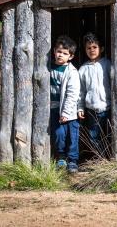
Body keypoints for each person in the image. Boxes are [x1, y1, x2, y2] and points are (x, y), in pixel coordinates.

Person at [77, 32, 111, 158]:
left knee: (110, 135)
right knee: (93, 137)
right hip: (92, 110)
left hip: (108, 107)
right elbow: (81, 91)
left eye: (95, 47)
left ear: (101, 48)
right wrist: (80, 107)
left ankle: (110, 160)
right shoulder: (83, 69)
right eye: (88, 48)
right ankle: (101, 161)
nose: (92, 50)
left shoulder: (108, 64)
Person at [50, 35, 81, 173]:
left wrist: (66, 113)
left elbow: (72, 94)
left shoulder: (72, 72)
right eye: (58, 51)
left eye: (64, 53)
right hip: (53, 108)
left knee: (72, 136)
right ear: (54, 51)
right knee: (59, 135)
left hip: (69, 111)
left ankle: (73, 160)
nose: (60, 55)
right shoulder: (48, 68)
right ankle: (61, 157)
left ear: (71, 56)